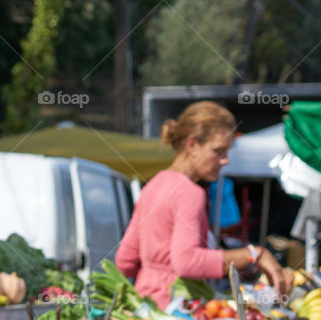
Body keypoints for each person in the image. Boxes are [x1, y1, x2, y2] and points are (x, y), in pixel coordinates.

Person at [116, 102, 292, 309]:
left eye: (227, 152)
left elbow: (124, 261)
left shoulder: (153, 185)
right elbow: (186, 261)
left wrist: (154, 270)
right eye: (218, 151)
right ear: (192, 145)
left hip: (144, 308)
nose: (225, 160)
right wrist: (253, 254)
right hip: (175, 309)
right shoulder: (190, 192)